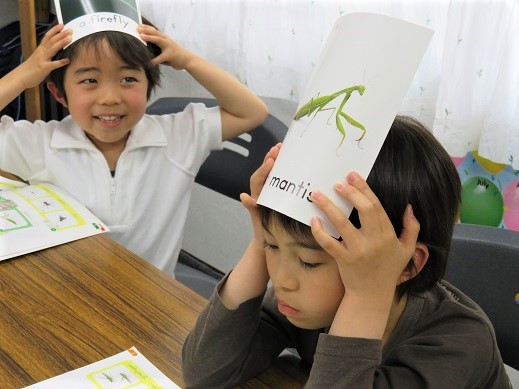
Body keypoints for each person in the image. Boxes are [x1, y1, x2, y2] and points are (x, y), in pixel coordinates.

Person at [182, 116, 511, 388]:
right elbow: (205, 371)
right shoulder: (305, 301)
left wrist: (366, 296)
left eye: (310, 262)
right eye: (274, 247)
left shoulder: (456, 348)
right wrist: (261, 237)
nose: (281, 280)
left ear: (406, 265)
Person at [0, 23, 268, 274]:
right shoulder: (39, 144)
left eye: (128, 78)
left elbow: (252, 112)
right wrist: (24, 75)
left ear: (149, 85)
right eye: (90, 81)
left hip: (154, 304)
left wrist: (188, 61)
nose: (110, 98)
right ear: (60, 94)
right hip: (70, 296)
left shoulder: (179, 136)